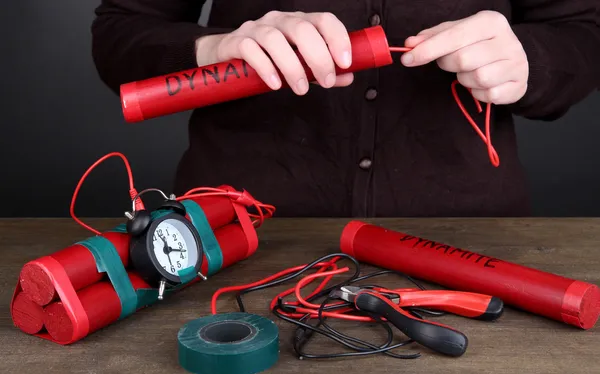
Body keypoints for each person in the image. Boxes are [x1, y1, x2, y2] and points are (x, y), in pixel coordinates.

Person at [91, 1, 600, 218]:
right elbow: (121, 34)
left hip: (473, 240)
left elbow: (583, 31)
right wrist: (216, 49)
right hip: (232, 232)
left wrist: (529, 60)